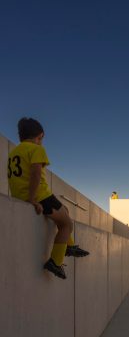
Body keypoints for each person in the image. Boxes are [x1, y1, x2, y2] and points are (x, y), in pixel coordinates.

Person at [8, 117, 89, 280]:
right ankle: (56, 261)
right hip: (40, 195)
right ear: (40, 136)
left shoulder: (15, 151)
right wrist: (31, 199)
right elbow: (36, 173)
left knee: (64, 210)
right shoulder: (36, 148)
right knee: (66, 224)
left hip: (20, 194)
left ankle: (70, 246)